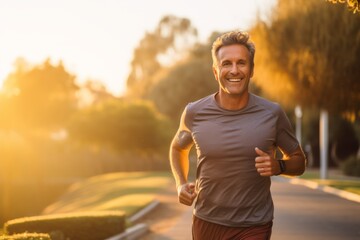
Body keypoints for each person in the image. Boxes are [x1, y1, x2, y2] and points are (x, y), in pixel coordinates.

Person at [169, 31, 306, 240]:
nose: (235, 70)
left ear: (251, 70)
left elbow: (299, 161)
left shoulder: (272, 113)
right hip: (206, 222)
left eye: (241, 63)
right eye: (227, 64)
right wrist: (180, 183)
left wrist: (279, 166)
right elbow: (178, 147)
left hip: (254, 225)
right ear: (216, 71)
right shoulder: (194, 112)